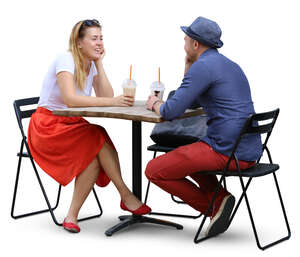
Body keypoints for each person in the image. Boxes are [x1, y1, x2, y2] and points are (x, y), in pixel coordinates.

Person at [28, 19, 151, 233]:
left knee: (94, 150)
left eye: (101, 38)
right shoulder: (65, 59)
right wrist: (112, 102)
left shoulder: (91, 64)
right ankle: (125, 194)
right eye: (94, 39)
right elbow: (71, 100)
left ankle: (72, 216)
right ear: (79, 42)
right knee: (97, 134)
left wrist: (99, 63)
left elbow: (105, 95)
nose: (99, 43)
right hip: (48, 126)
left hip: (71, 124)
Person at [145, 16, 262, 237]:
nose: (184, 45)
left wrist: (155, 103)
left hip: (225, 150)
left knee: (154, 170)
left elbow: (171, 111)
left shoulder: (204, 67)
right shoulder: (230, 65)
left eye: (185, 40)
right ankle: (220, 199)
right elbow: (192, 101)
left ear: (195, 44)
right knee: (189, 153)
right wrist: (189, 65)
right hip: (249, 150)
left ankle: (214, 207)